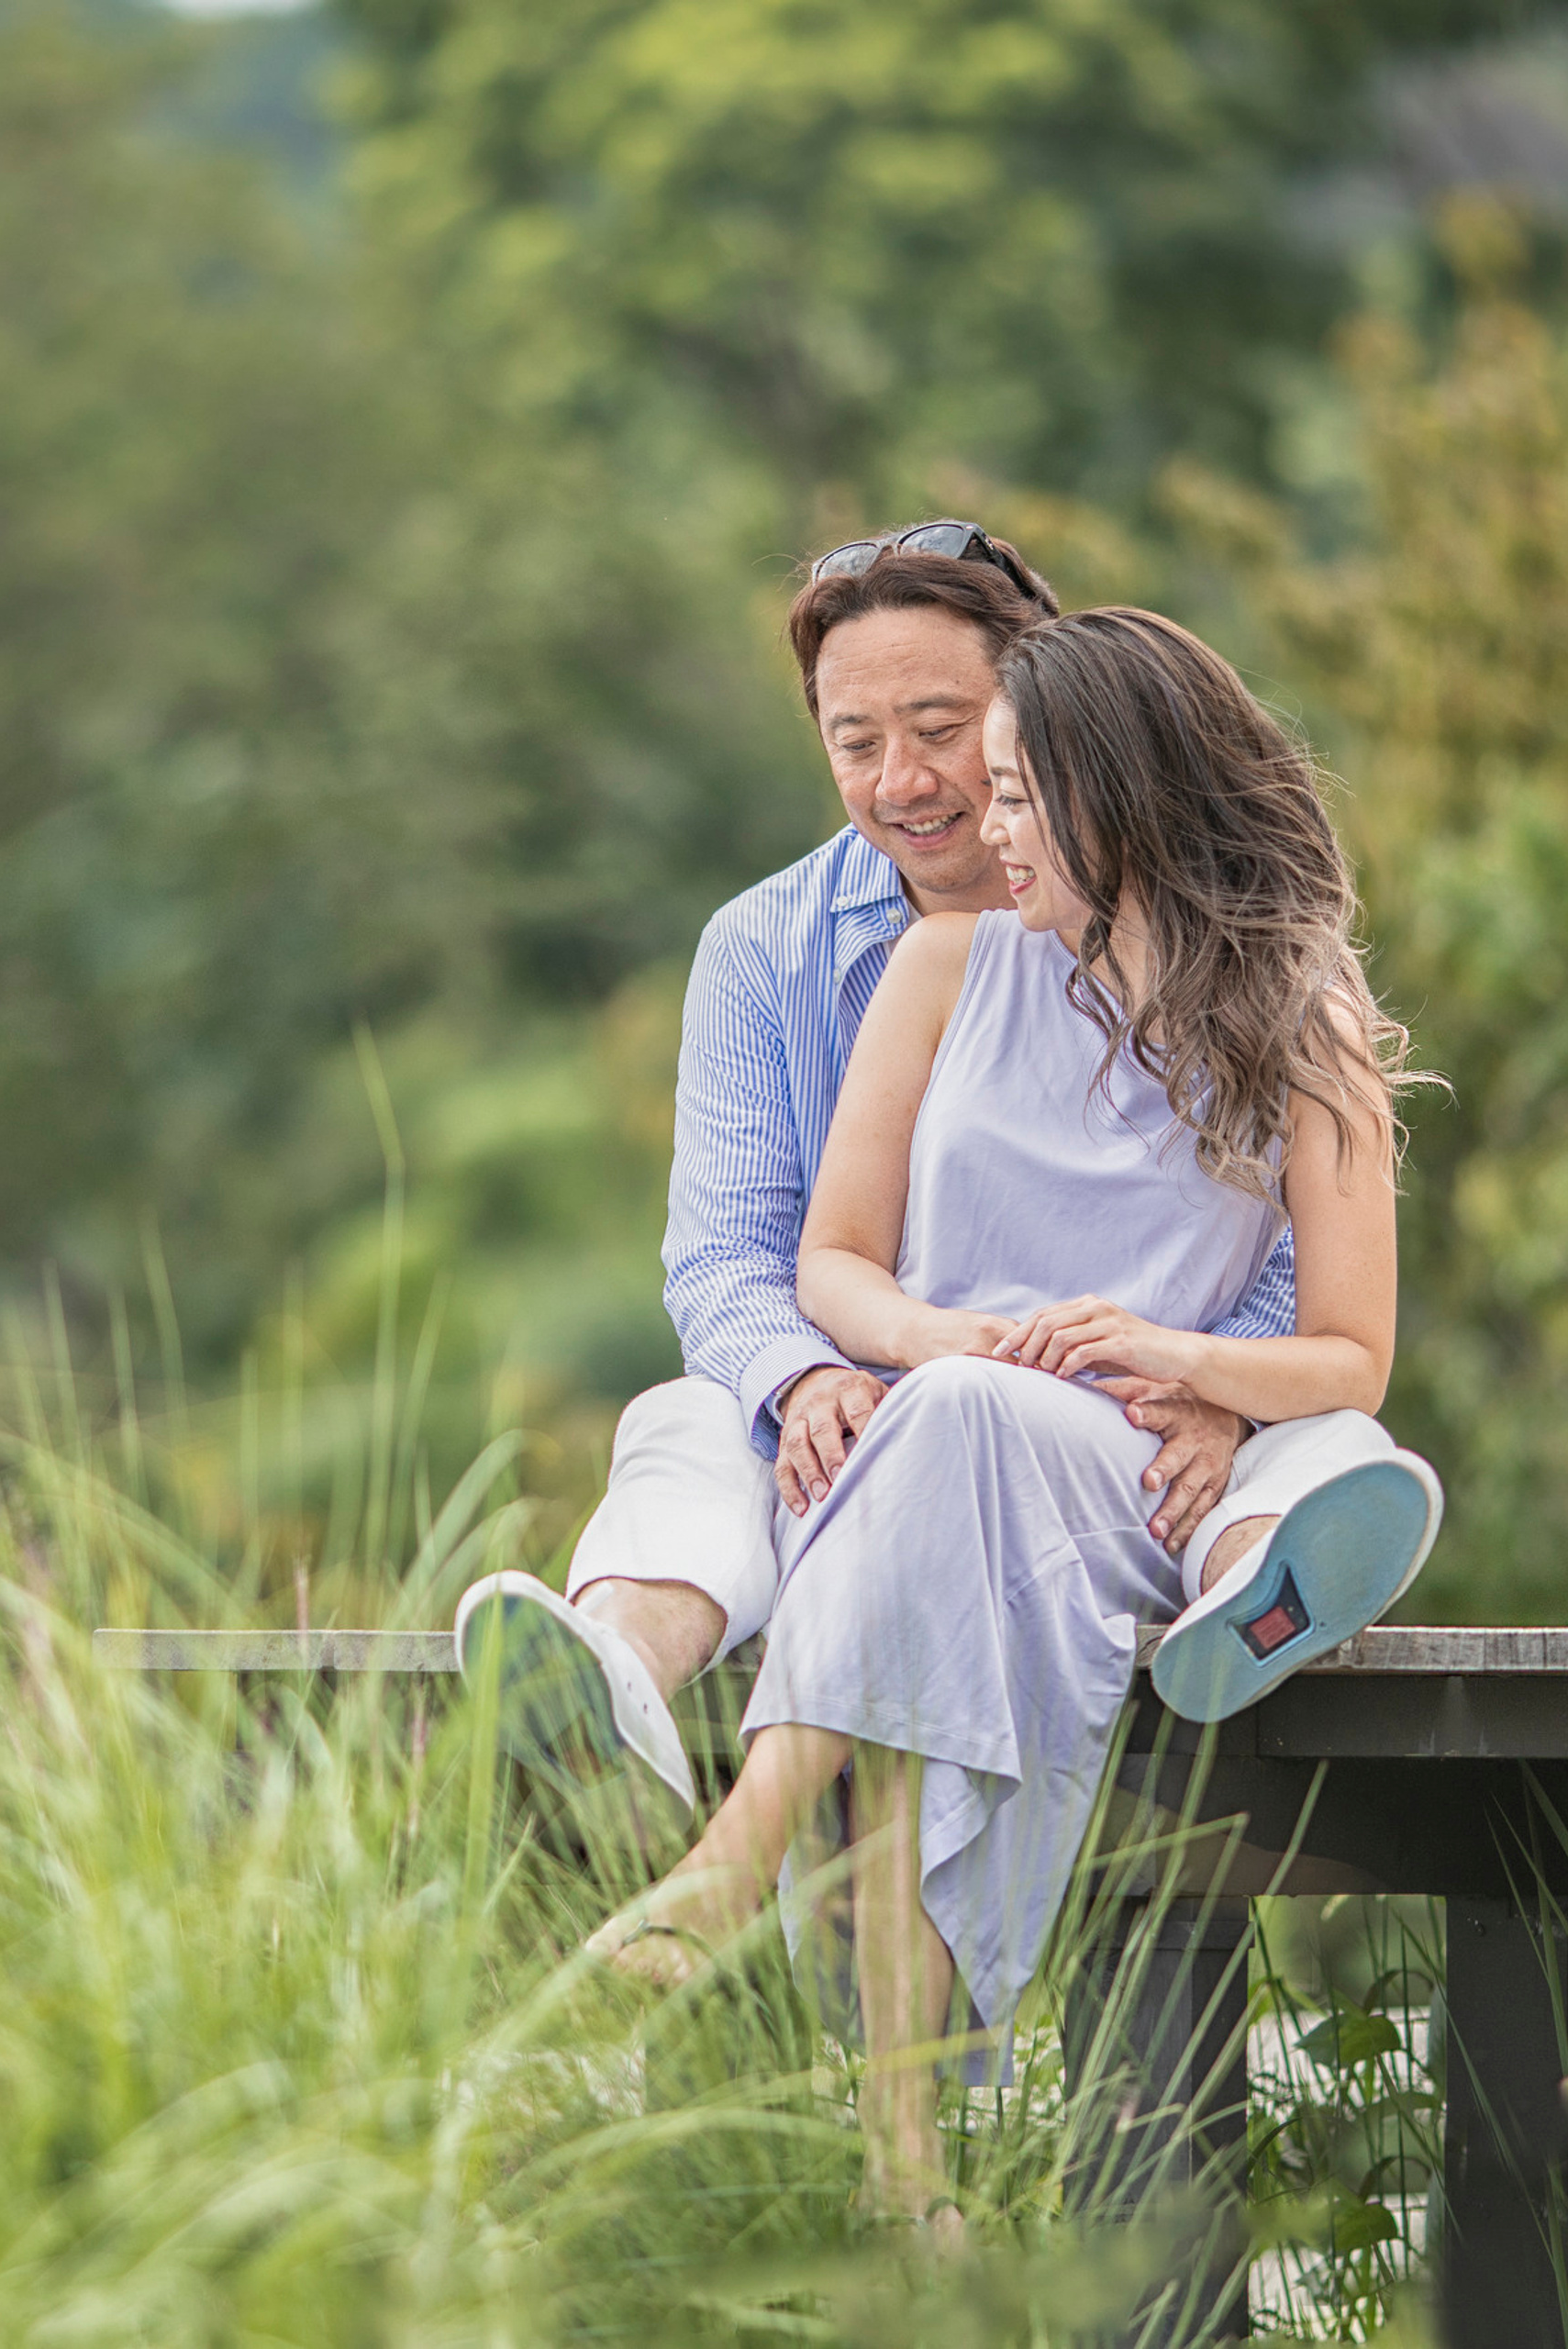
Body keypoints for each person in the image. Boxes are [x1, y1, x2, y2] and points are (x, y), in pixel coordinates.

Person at [584, 608, 1440, 2215]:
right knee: (945, 1470)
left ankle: (734, 1863)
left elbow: (1349, 1359)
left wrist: (1177, 1363)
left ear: (1129, 801)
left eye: (1023, 798)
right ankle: (910, 2182)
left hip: (1118, 1467)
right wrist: (940, 1334)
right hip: (929, 1436)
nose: (985, 832)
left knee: (961, 1451)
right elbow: (831, 1260)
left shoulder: (1303, 1024)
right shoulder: (942, 964)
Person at [454, 526, 1381, 1833]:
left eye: (946, 729)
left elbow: (1293, 1244)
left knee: (1318, 1443)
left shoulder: (1213, 953)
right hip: (870, 1393)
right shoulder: (765, 949)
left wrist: (1201, 1383)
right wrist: (807, 1377)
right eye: (855, 740)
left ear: (1044, 718)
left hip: (1110, 1409)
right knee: (684, 1424)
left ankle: (1248, 1583)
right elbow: (729, 1251)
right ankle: (607, 1676)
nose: (907, 781)